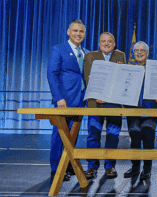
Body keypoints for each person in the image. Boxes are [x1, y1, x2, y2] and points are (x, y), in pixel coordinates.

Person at [47, 19, 89, 181]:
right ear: (68, 32)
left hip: (80, 101)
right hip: (64, 101)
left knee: (73, 135)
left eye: (81, 31)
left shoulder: (85, 52)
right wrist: (58, 98)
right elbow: (52, 74)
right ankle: (56, 168)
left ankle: (69, 164)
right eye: (75, 31)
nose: (78, 34)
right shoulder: (58, 49)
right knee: (60, 135)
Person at [83, 32, 126, 179]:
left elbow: (122, 80)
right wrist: (98, 95)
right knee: (93, 136)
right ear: (99, 43)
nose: (106, 44)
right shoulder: (89, 56)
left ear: (114, 44)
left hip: (114, 103)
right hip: (95, 102)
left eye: (109, 41)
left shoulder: (121, 56)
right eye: (103, 41)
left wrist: (108, 96)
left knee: (113, 136)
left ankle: (110, 166)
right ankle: (91, 167)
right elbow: (88, 79)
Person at [123, 41, 157, 181]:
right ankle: (135, 168)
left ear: (147, 53)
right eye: (136, 50)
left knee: (148, 137)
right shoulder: (128, 69)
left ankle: (147, 169)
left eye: (142, 50)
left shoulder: (155, 69)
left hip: (150, 110)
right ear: (133, 53)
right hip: (133, 110)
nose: (139, 53)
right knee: (135, 138)